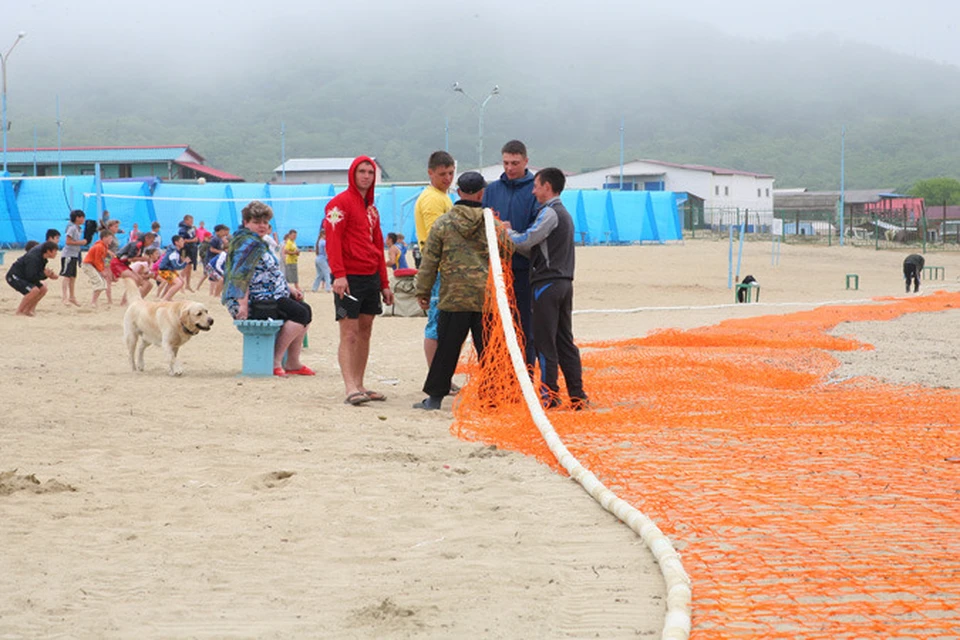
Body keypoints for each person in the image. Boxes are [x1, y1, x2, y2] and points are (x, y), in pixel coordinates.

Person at [412, 171, 511, 410]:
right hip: (485, 299)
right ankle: (492, 399)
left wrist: (422, 291)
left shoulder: (443, 223)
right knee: (489, 351)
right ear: (481, 193)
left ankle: (435, 398)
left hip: (453, 297)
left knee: (446, 348)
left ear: (458, 192)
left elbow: (429, 261)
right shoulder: (492, 224)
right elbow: (508, 252)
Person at [505, 167, 588, 410]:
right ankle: (577, 395)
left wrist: (505, 230)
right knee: (564, 341)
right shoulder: (564, 214)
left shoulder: (550, 213)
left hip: (547, 284)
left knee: (544, 342)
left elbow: (527, 241)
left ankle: (549, 395)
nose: (533, 191)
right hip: (563, 283)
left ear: (548, 187)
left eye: (536, 186)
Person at [324, 155, 394, 405]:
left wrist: (385, 283)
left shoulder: (372, 210)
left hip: (371, 277)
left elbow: (377, 245)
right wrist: (339, 274)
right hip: (349, 277)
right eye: (361, 171)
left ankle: (361, 384)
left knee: (365, 331)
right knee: (349, 332)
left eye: (370, 172)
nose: (366, 176)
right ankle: (349, 386)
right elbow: (332, 242)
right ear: (353, 174)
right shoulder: (338, 205)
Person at [223, 201, 313, 377]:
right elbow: (241, 277)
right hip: (256, 299)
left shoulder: (258, 242)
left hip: (271, 295)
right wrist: (242, 305)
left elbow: (271, 272)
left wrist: (289, 289)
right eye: (257, 222)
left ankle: (293, 361)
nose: (262, 226)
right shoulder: (246, 244)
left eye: (265, 222)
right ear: (246, 222)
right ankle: (275, 361)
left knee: (304, 309)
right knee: (300, 314)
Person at [483, 139, 539, 368]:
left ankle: (526, 372)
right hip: (496, 270)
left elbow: (538, 228)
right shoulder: (492, 190)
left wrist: (512, 234)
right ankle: (501, 374)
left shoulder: (536, 188)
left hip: (525, 268)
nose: (509, 168)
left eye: (515, 163)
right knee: (496, 325)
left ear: (526, 161)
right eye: (506, 163)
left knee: (525, 325)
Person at [413, 150, 455, 368]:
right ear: (430, 173)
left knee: (444, 324)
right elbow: (435, 237)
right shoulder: (431, 199)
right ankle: (435, 376)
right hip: (438, 268)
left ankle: (441, 375)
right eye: (442, 174)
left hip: (445, 268)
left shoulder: (444, 196)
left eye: (450, 173)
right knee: (436, 324)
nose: (447, 178)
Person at [6, 241, 59, 316]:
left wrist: (49, 275)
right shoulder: (33, 258)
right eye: (55, 251)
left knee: (43, 289)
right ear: (48, 251)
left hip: (25, 275)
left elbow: (36, 273)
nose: (57, 253)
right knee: (34, 290)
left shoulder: (42, 257)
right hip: (14, 276)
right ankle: (19, 311)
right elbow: (31, 276)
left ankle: (28, 310)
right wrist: (45, 274)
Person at [60, 210, 88, 306]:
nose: (83, 219)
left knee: (73, 277)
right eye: (82, 217)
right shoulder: (72, 228)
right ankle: (64, 298)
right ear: (77, 218)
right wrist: (80, 243)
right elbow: (68, 241)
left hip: (74, 255)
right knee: (66, 276)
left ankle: (72, 297)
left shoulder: (78, 229)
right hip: (68, 254)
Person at [81, 230, 114, 307]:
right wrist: (102, 271)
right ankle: (93, 302)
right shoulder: (99, 246)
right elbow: (97, 260)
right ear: (104, 238)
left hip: (93, 265)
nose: (111, 240)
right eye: (110, 238)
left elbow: (101, 260)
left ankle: (94, 301)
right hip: (88, 265)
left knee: (103, 284)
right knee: (99, 283)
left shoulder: (104, 247)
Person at [157, 235, 188, 301]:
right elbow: (176, 266)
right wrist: (185, 263)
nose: (183, 242)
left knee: (177, 282)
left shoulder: (174, 250)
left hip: (168, 270)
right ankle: (165, 299)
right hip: (164, 270)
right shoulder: (173, 252)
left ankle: (164, 297)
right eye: (182, 241)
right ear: (176, 243)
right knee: (178, 283)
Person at [178, 214, 199, 291]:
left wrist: (196, 240)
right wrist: (192, 240)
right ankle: (179, 283)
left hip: (191, 249)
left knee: (189, 267)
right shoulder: (182, 230)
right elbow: (182, 240)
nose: (192, 222)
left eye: (192, 221)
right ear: (186, 221)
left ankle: (187, 284)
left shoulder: (191, 229)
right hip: (185, 249)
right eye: (190, 221)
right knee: (186, 266)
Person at [312, 228, 332, 292]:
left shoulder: (318, 242)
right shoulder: (324, 242)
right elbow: (327, 251)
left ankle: (314, 288)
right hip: (322, 259)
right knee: (327, 274)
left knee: (319, 274)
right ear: (323, 235)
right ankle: (328, 288)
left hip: (318, 258)